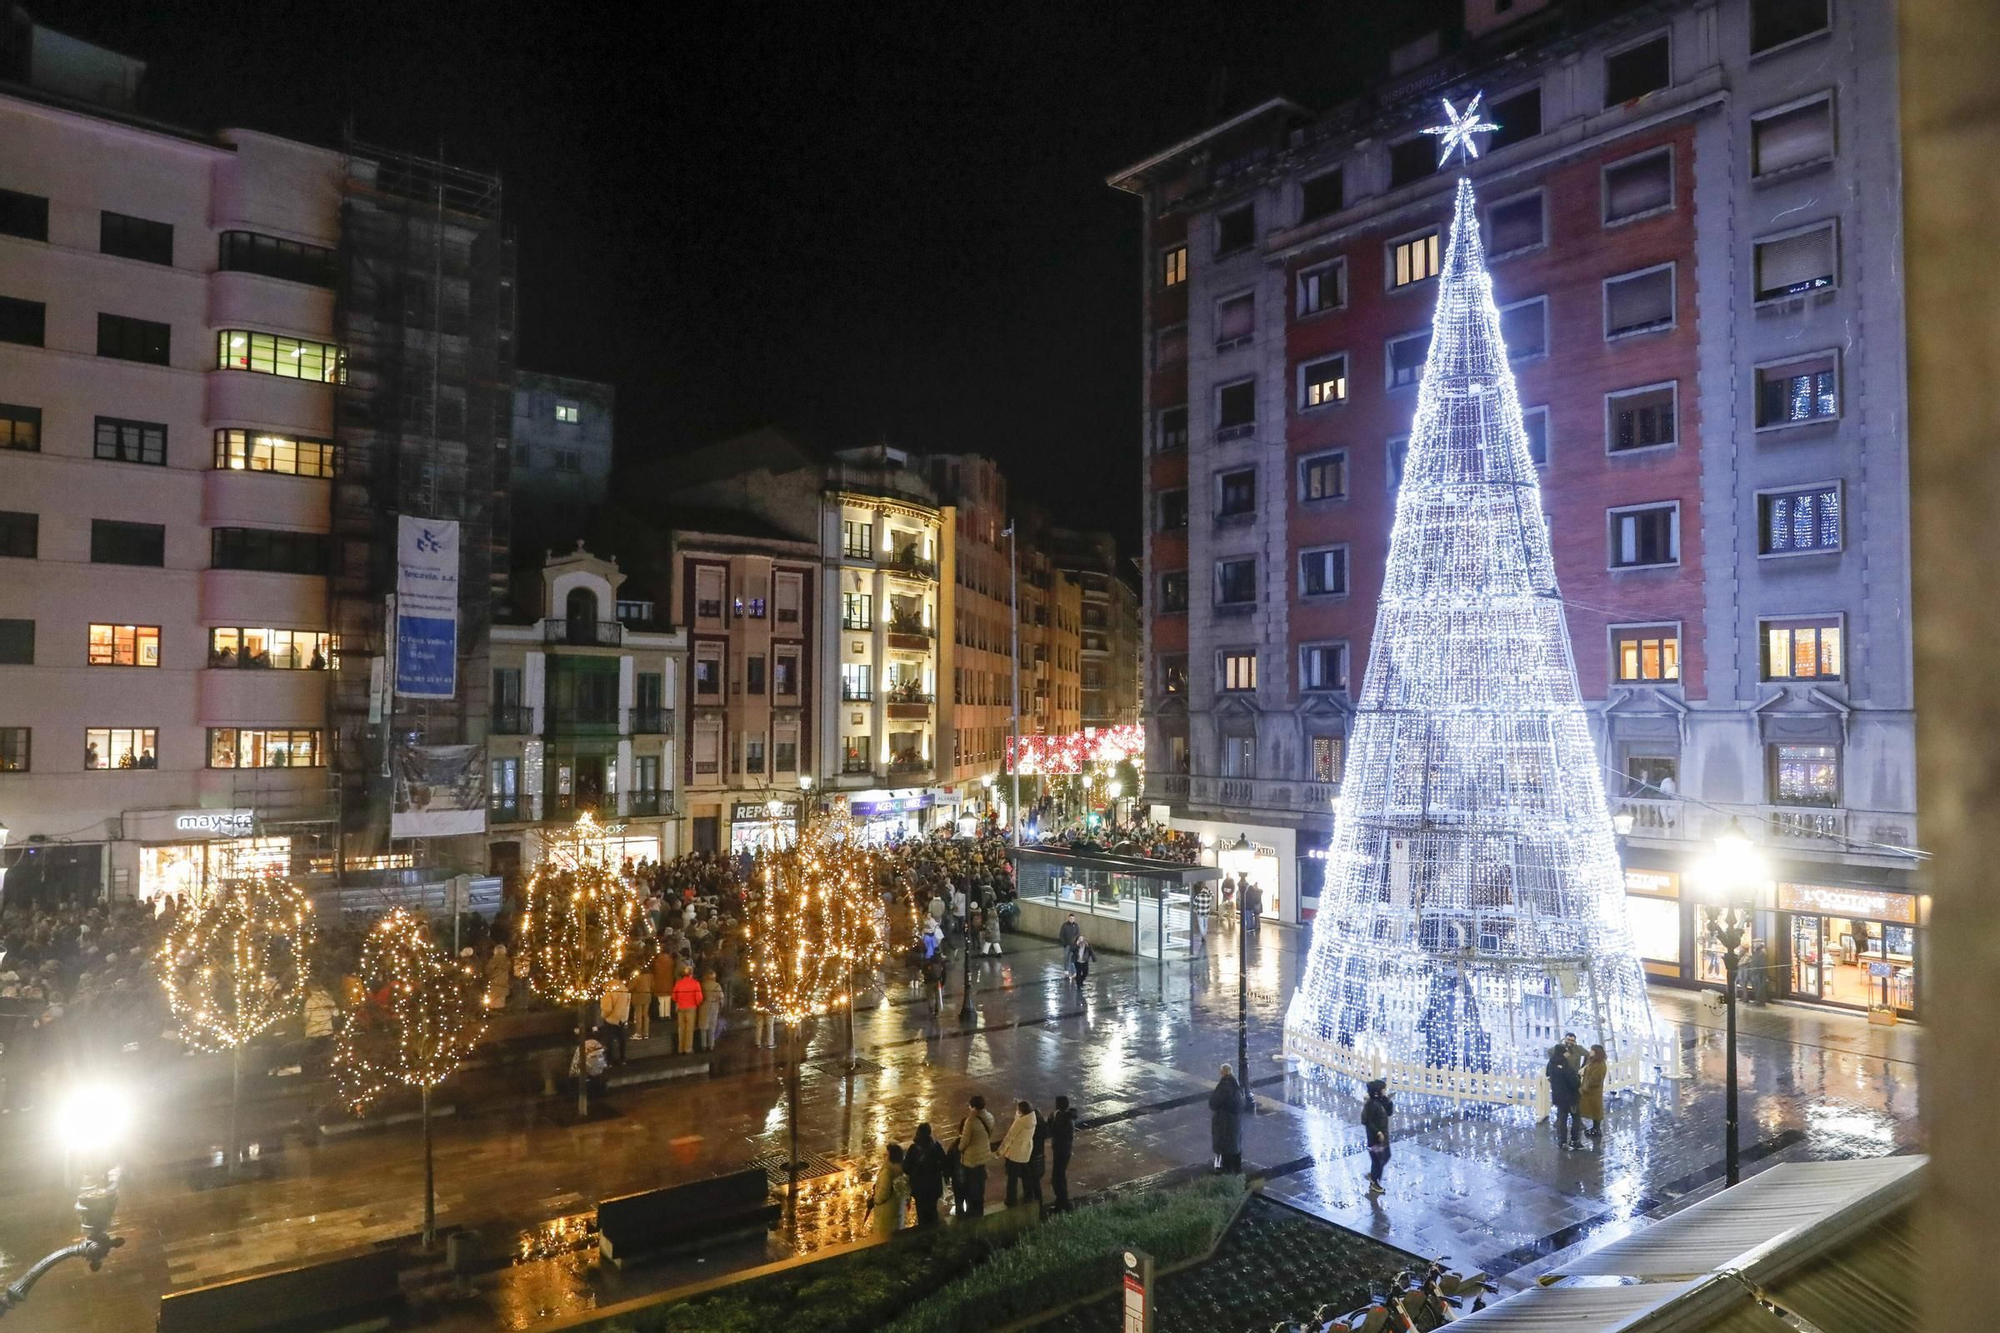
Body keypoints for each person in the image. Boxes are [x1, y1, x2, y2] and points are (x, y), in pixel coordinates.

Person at [956, 1094, 994, 1216]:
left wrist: (959, 1148)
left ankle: (973, 1212)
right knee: (980, 1183)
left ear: (973, 1107)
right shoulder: (990, 1117)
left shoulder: (970, 1121)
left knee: (971, 1186)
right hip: (984, 1156)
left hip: (971, 1159)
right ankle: (980, 1208)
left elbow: (964, 1142)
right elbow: (989, 1134)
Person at [999, 1100, 1042, 1208]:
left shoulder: (1019, 1122)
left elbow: (1010, 1136)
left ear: (1021, 1111)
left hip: (1015, 1152)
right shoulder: (1032, 1119)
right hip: (1026, 1150)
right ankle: (1029, 1195)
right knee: (1026, 1174)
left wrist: (1000, 1151)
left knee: (1012, 1178)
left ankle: (1011, 1199)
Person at [905, 1122, 947, 1227]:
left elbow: (906, 1168)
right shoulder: (936, 1147)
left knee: (922, 1213)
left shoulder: (913, 1149)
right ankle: (934, 1232)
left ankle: (924, 1235)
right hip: (934, 1187)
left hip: (919, 1189)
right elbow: (944, 1164)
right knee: (933, 1210)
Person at [1362, 1078, 1395, 1195]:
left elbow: (1390, 1112)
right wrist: (1377, 1132)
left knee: (1385, 1156)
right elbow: (1366, 1121)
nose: (1386, 1091)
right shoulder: (1371, 1104)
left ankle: (1373, 1175)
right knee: (1377, 1160)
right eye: (1384, 1089)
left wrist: (1388, 1101)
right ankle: (1374, 1182)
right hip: (1375, 1139)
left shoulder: (1381, 1101)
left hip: (1383, 1136)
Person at [1044, 1094, 1077, 1212]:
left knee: (1057, 1179)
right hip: (1064, 1150)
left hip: (1061, 1151)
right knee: (1060, 1177)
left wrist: (1049, 1121)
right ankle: (1062, 1203)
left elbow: (1054, 1132)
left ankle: (1063, 1204)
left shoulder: (1061, 1118)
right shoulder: (1066, 1116)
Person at [1209, 1063, 1244, 1173]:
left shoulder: (1224, 1087)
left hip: (1224, 1122)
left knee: (1225, 1145)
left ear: (1222, 1073)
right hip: (1235, 1121)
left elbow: (1213, 1103)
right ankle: (1237, 1169)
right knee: (1235, 1145)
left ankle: (1226, 1170)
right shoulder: (1236, 1086)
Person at [869, 1143, 909, 1237]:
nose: (884, 1157)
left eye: (886, 1155)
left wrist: (875, 1199)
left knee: (883, 1238)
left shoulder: (887, 1173)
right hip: (896, 1211)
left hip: (885, 1214)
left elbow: (883, 1195)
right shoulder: (901, 1170)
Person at [1547, 1046, 1583, 1149]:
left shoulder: (1551, 1064)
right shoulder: (1566, 1066)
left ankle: (1562, 1141)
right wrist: (1578, 1079)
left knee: (1562, 1119)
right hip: (1571, 1098)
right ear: (1562, 1053)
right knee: (1576, 1119)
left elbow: (1548, 1075)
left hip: (1559, 1097)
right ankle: (1574, 1140)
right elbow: (1575, 1082)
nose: (1568, 1054)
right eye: (1566, 1052)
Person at [600, 974, 632, 1066]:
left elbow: (607, 1009)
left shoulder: (609, 991)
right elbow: (627, 1005)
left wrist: (603, 1016)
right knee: (621, 1039)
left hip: (611, 1019)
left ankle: (609, 1061)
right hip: (622, 1018)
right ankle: (622, 1058)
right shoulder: (624, 989)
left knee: (609, 1040)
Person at [671, 964, 704, 1052]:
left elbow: (674, 997)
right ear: (692, 974)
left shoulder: (678, 983)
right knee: (689, 1029)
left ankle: (680, 1048)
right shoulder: (695, 983)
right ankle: (688, 1048)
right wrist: (697, 1004)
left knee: (681, 1028)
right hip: (691, 1008)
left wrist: (679, 1001)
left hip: (681, 1008)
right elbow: (699, 998)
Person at [1579, 1044, 1608, 1139]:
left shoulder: (1600, 1065)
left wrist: (1585, 1088)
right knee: (1593, 1110)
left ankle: (1597, 1129)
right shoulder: (1592, 1061)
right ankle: (1595, 1128)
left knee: (1596, 1110)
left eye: (1592, 1050)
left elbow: (1595, 1079)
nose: (1590, 1052)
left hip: (1593, 1092)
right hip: (1589, 1091)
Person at [629, 964, 654, 1041]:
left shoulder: (636, 976)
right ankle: (646, 1033)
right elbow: (653, 986)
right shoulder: (650, 976)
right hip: (647, 996)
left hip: (638, 997)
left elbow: (631, 987)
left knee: (638, 1015)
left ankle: (638, 1033)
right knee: (645, 1015)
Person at [484, 943, 512, 1010]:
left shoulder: (493, 960)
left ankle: (494, 1011)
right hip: (504, 983)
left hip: (494, 983)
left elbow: (488, 971)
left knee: (494, 1001)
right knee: (501, 1000)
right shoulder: (507, 961)